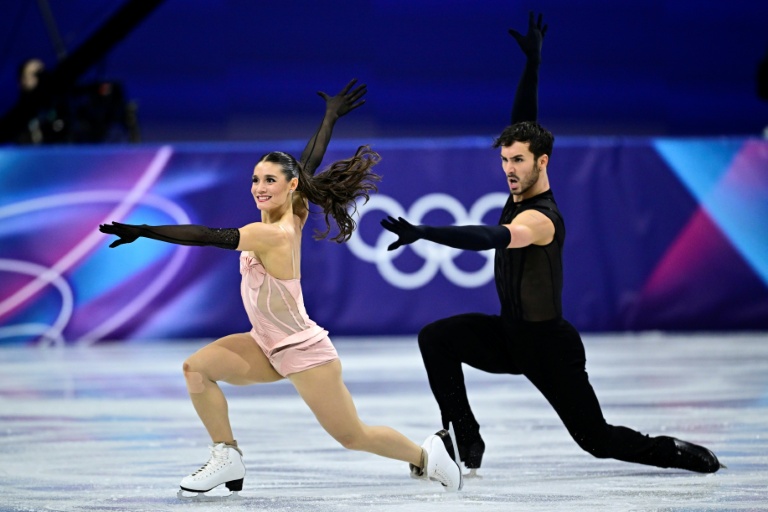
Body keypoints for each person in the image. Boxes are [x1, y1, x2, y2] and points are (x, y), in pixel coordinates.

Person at [380, 12, 725, 477]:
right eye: (504, 159)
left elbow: (489, 238)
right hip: (507, 336)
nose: (508, 168)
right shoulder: (519, 186)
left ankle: (675, 452)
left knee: (596, 441)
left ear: (542, 162)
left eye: (518, 160)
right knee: (437, 338)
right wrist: (533, 63)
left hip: (548, 347)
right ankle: (466, 437)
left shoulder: (542, 217)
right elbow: (524, 121)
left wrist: (426, 232)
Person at [98, 79, 463, 498]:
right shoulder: (293, 209)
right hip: (264, 343)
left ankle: (427, 456)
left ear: (289, 188)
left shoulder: (273, 234)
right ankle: (227, 455)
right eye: (255, 179)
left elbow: (206, 235)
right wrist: (329, 117)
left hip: (302, 350)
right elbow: (307, 163)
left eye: (270, 180)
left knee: (351, 435)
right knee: (197, 369)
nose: (259, 187)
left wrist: (145, 229)